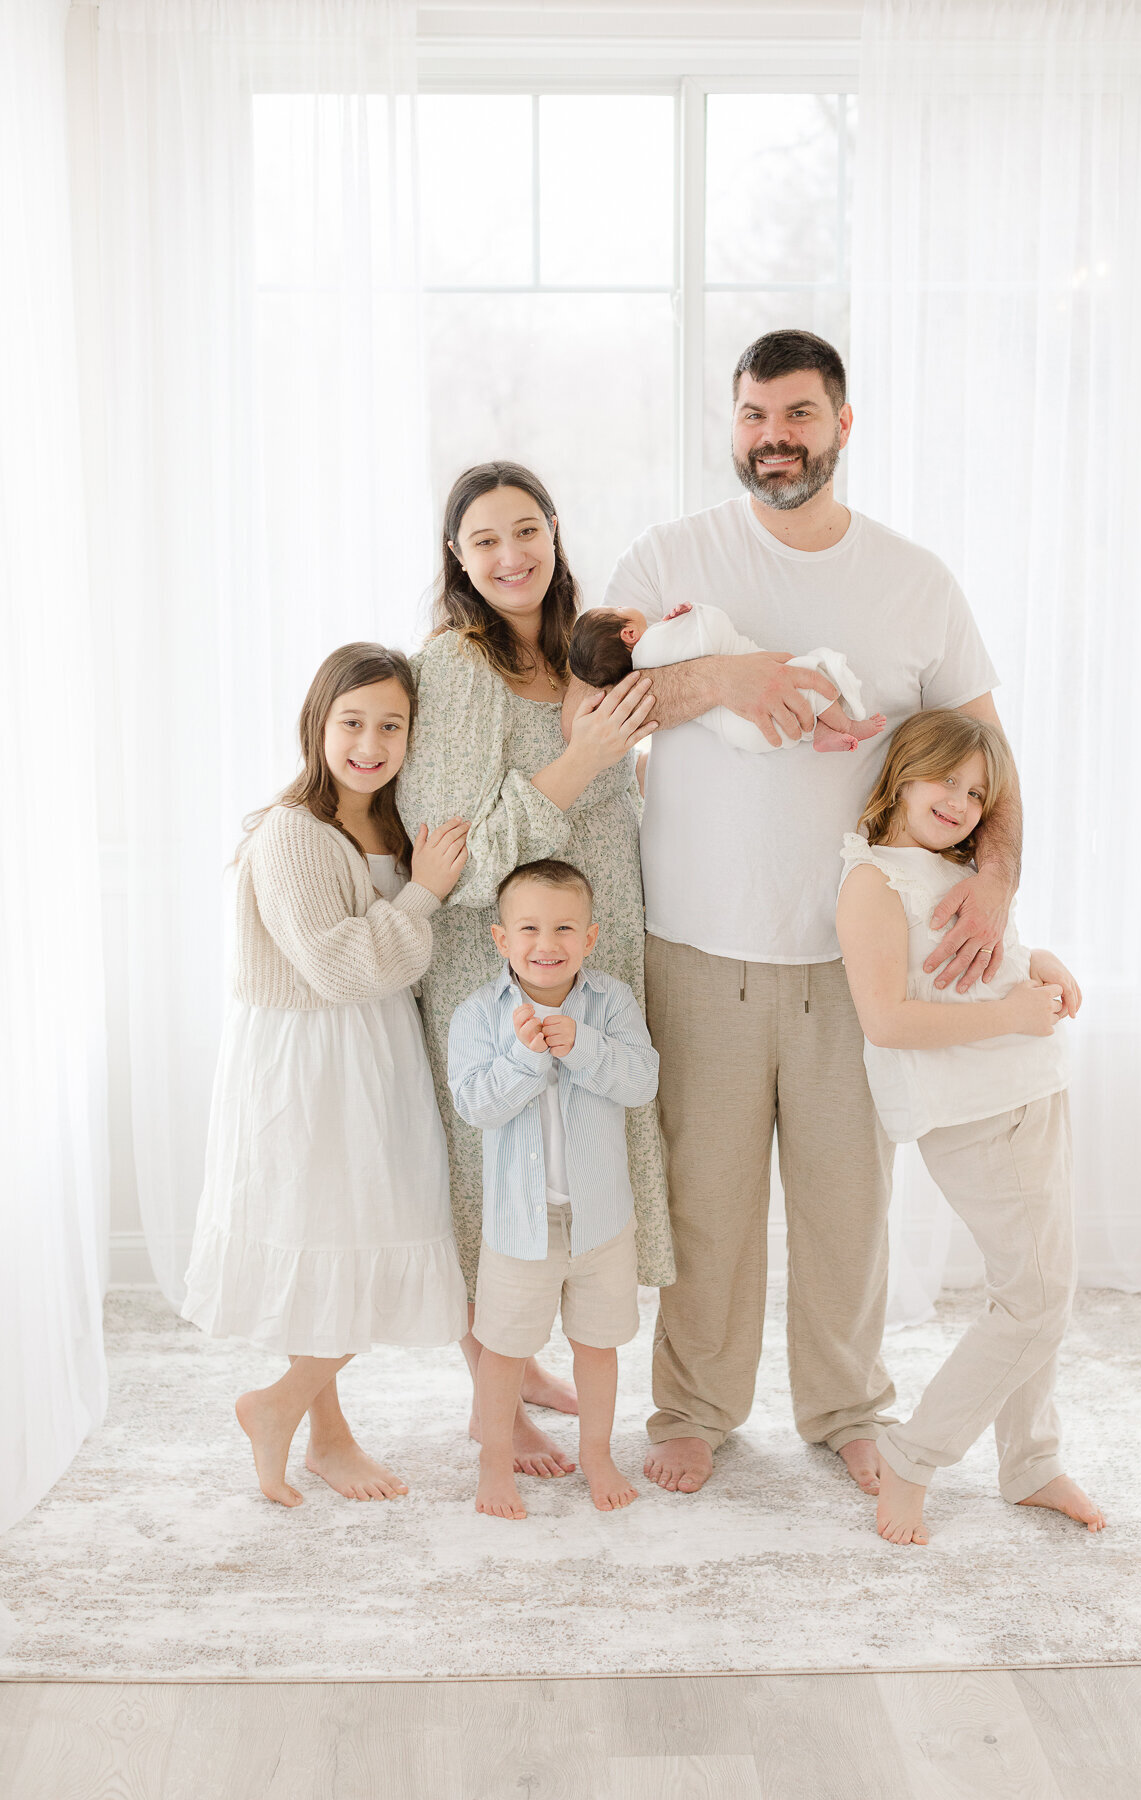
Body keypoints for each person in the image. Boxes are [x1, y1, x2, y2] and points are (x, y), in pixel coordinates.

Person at [587, 327, 1021, 1498]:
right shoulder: (672, 553)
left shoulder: (912, 580)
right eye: (751, 416)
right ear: (729, 425)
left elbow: (987, 747)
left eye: (795, 415)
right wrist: (728, 680)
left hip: (854, 956)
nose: (771, 438)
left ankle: (844, 1407)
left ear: (839, 425)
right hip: (695, 940)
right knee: (706, 1200)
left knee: (847, 1204)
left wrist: (993, 876)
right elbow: (594, 703)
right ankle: (692, 1407)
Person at [397, 462, 675, 1482]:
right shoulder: (456, 667)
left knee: (581, 1165)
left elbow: (608, 792)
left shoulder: (571, 652)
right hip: (495, 962)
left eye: (526, 531)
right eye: (483, 541)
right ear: (457, 559)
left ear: (555, 532)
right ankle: (495, 1405)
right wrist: (583, 760)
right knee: (500, 1182)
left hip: (590, 951)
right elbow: (458, 857)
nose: (509, 556)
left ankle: (521, 1372)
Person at [181, 643, 470, 1508]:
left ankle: (324, 1434)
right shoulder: (292, 833)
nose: (371, 742)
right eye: (353, 722)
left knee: (349, 1244)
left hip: (373, 1048)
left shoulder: (389, 822)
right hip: (311, 1060)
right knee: (341, 1238)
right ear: (318, 723)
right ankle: (277, 1406)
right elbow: (338, 968)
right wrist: (421, 895)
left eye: (392, 724)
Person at [836, 709, 1104, 1543]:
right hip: (975, 1112)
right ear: (901, 776)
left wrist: (1038, 966)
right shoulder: (873, 883)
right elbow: (887, 1020)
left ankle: (1031, 1461)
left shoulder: (956, 869)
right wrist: (1015, 1018)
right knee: (1035, 1300)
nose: (959, 800)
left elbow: (976, 975)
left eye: (976, 792)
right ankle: (914, 1458)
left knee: (1034, 1284)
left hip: (1030, 1087)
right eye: (945, 779)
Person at [448, 859, 658, 1519]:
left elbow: (640, 1083)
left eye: (565, 928)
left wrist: (583, 1046)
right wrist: (527, 1055)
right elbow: (476, 1105)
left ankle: (597, 1453)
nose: (548, 943)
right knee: (506, 1347)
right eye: (529, 928)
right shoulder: (480, 1014)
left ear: (590, 939)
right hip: (519, 1222)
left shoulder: (609, 1002)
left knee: (597, 1343)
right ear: (501, 940)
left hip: (600, 1220)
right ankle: (494, 1461)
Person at [567, 600, 885, 754]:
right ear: (630, 632)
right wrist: (694, 614)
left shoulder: (640, 669)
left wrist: (670, 624)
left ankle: (818, 734)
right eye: (618, 607)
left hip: (742, 734)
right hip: (751, 716)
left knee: (798, 708)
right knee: (808, 677)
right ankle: (845, 724)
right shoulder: (654, 644)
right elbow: (711, 628)